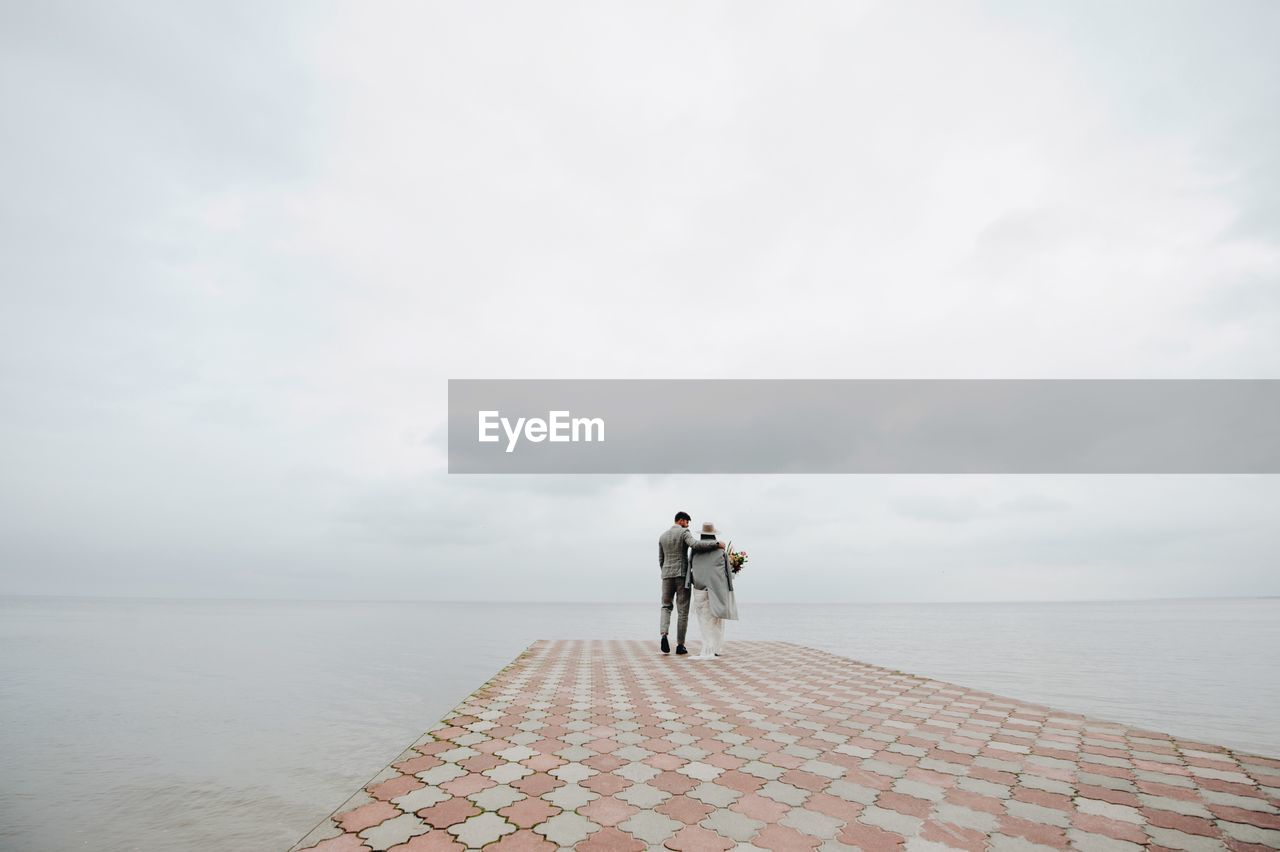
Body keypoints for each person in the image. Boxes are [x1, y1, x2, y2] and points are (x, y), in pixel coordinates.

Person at [658, 511, 724, 654]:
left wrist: (665, 573)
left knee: (666, 606)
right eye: (687, 522)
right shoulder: (684, 532)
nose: (687, 525)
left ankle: (664, 634)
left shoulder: (662, 536)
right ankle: (680, 645)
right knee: (682, 611)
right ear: (682, 521)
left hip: (666, 576)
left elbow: (661, 560)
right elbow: (694, 545)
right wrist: (716, 544)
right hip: (681, 576)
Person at [686, 521, 738, 659]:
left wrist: (689, 582)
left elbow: (689, 568)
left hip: (699, 588)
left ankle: (707, 645)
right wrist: (730, 586)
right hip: (717, 589)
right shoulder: (720, 551)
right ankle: (716, 648)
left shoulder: (695, 550)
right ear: (714, 535)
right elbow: (727, 573)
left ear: (702, 535)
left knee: (703, 620)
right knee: (717, 619)